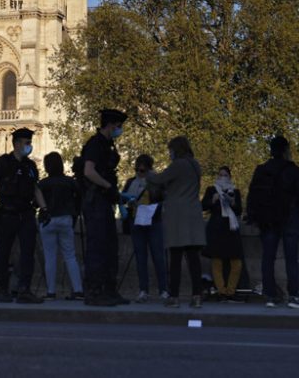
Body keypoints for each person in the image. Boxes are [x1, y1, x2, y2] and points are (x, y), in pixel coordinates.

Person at [0, 127, 50, 304]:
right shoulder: (3, 162)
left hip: (26, 212)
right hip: (8, 212)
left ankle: (24, 290)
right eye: (27, 143)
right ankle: (2, 289)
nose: (30, 146)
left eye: (30, 142)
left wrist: (44, 208)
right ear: (17, 144)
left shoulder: (30, 165)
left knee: (27, 253)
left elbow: (35, 188)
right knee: (4, 252)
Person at [247, 135, 299, 309]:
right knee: (291, 258)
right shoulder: (292, 170)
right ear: (285, 150)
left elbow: (252, 195)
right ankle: (294, 295)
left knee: (268, 257)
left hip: (267, 219)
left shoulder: (261, 170)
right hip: (289, 216)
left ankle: (270, 295)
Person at [148, 136, 206, 309]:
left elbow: (159, 179)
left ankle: (174, 296)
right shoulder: (195, 164)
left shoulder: (178, 165)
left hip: (178, 216)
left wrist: (149, 173)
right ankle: (197, 296)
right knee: (194, 258)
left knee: (176, 257)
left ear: (176, 149)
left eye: (170, 150)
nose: (169, 154)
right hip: (193, 214)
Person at [80, 108, 128, 307]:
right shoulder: (95, 144)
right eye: (119, 126)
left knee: (110, 247)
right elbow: (89, 171)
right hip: (96, 200)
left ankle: (109, 289)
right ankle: (94, 291)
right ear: (111, 124)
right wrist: (108, 187)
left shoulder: (108, 145)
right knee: (97, 247)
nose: (120, 130)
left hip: (105, 200)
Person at [122, 154, 168, 303]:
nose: (139, 173)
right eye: (137, 170)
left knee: (158, 257)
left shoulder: (156, 182)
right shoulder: (130, 182)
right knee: (140, 258)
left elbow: (164, 199)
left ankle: (163, 289)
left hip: (153, 221)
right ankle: (143, 290)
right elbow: (123, 198)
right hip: (136, 221)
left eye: (142, 170)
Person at [38, 152, 83, 301]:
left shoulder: (43, 184)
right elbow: (78, 199)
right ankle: (78, 290)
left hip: (48, 220)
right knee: (70, 256)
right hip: (65, 218)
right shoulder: (69, 182)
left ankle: (51, 291)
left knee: (50, 257)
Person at [202, 165, 245, 302]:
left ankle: (230, 291)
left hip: (231, 229)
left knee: (236, 262)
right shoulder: (211, 190)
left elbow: (239, 210)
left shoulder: (235, 191)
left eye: (225, 175)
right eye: (220, 175)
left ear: (230, 177)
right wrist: (213, 199)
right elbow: (203, 206)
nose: (222, 177)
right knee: (217, 262)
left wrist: (232, 202)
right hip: (216, 228)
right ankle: (221, 291)